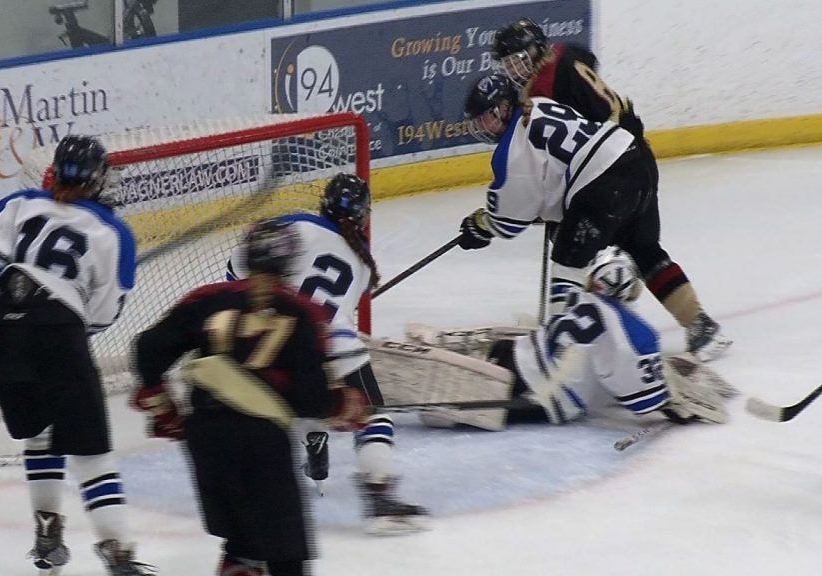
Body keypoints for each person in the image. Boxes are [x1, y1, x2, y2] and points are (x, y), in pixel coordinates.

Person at [0, 135, 156, 575]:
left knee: (40, 433)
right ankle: (115, 546)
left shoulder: (18, 205)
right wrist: (68, 328)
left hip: (1, 332)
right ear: (97, 181)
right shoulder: (112, 232)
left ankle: (46, 527)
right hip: (60, 335)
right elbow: (104, 313)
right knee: (90, 451)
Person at [132, 219, 368, 576]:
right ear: (290, 263)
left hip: (205, 436)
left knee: (242, 547)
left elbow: (148, 349)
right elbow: (308, 398)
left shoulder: (207, 299)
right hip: (262, 441)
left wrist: (162, 403)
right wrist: (342, 405)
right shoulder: (304, 313)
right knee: (285, 555)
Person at [487, 18, 732, 362]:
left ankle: (568, 340)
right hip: (637, 157)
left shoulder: (542, 89)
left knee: (571, 248)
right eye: (508, 63)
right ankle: (701, 325)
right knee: (645, 247)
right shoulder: (564, 55)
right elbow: (587, 60)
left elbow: (586, 129)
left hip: (611, 166)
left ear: (537, 51)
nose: (515, 69)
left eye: (519, 59)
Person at [224, 173, 429, 535]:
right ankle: (379, 495)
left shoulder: (296, 225)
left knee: (276, 409)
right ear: (363, 214)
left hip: (282, 343)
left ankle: (303, 441)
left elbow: (238, 272)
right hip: (341, 346)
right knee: (372, 415)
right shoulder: (364, 265)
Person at [454, 247, 730, 427]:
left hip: (515, 353)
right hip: (545, 397)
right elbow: (640, 398)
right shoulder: (634, 332)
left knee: (474, 374)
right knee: (465, 410)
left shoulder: (577, 296)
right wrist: (675, 410)